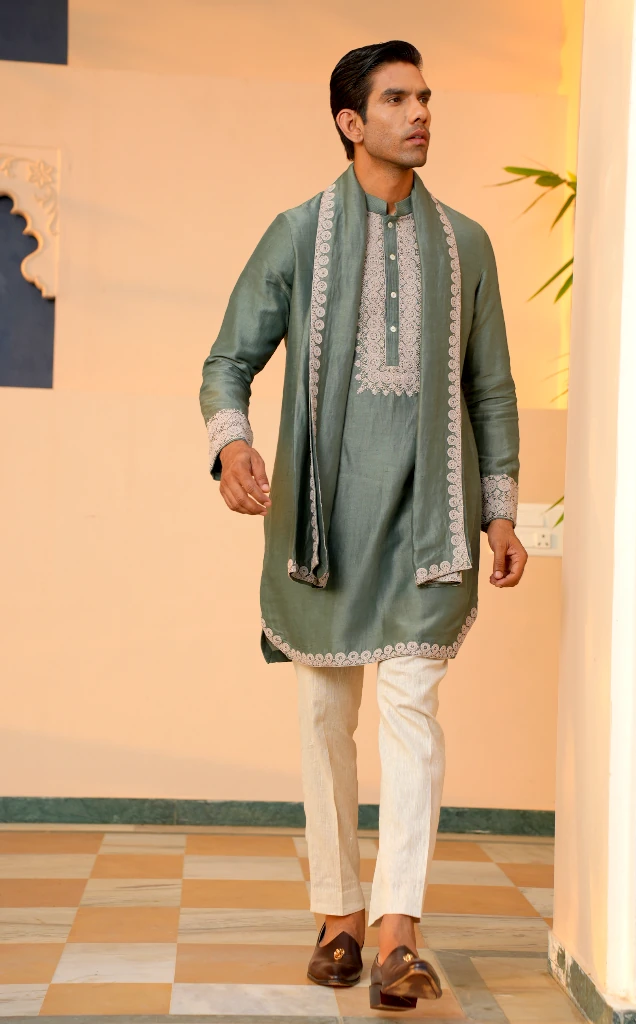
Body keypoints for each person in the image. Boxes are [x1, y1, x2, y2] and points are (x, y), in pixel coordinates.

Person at [199, 39, 527, 1010]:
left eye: (424, 96)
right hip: (322, 529)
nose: (419, 111)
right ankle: (337, 911)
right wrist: (230, 447)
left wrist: (499, 512)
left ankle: (395, 931)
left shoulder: (465, 244)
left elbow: (492, 388)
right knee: (322, 715)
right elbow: (227, 359)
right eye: (396, 98)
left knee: (411, 719)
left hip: (430, 523)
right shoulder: (298, 234)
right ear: (350, 121)